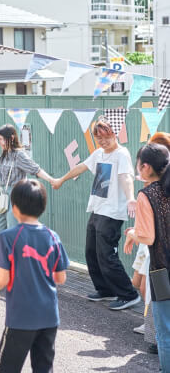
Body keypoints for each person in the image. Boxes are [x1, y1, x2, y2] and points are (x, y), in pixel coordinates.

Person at [52, 117, 140, 310]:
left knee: (107, 254)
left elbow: (126, 177)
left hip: (112, 212)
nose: (102, 141)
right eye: (98, 137)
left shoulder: (121, 154)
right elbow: (81, 167)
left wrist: (131, 198)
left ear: (114, 134)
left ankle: (129, 294)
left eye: (106, 137)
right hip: (98, 208)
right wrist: (61, 179)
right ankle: (105, 289)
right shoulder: (99, 153)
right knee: (91, 252)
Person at [0, 179, 70, 372]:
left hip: (20, 316)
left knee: (7, 367)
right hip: (49, 316)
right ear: (43, 207)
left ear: (14, 207)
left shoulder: (7, 237)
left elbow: (2, 280)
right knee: (43, 367)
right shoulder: (53, 236)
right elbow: (61, 278)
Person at [123, 142, 170, 371]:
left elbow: (148, 237)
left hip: (163, 271)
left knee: (166, 332)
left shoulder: (148, 194)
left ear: (145, 167)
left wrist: (132, 233)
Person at [0, 124, 54, 234]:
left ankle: (17, 250)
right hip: (4, 193)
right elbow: (1, 169)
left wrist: (51, 180)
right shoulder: (5, 153)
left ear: (12, 138)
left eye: (1, 139)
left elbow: (35, 169)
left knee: (13, 227)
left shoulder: (19, 155)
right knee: (0, 229)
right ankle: (3, 250)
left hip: (17, 194)